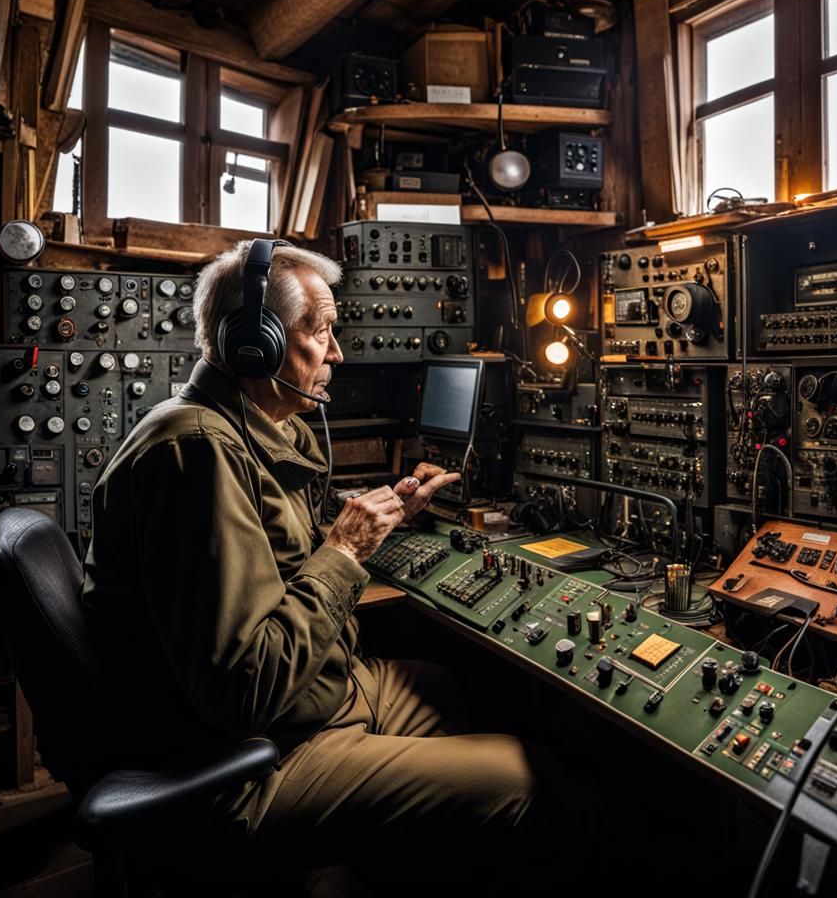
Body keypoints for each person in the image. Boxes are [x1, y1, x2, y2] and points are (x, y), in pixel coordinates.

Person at [82, 240, 569, 887]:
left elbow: (275, 563)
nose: (336, 353)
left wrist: (387, 517)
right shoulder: (197, 452)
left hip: (317, 700)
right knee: (528, 778)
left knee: (445, 687)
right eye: (321, 331)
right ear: (254, 344)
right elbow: (243, 691)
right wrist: (343, 549)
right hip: (247, 762)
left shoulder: (240, 431)